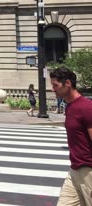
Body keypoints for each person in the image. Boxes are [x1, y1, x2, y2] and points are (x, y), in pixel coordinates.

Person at [51, 67, 92, 205]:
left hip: (89, 171)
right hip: (74, 171)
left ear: (67, 83)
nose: (53, 89)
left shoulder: (86, 108)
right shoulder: (69, 106)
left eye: (55, 85)